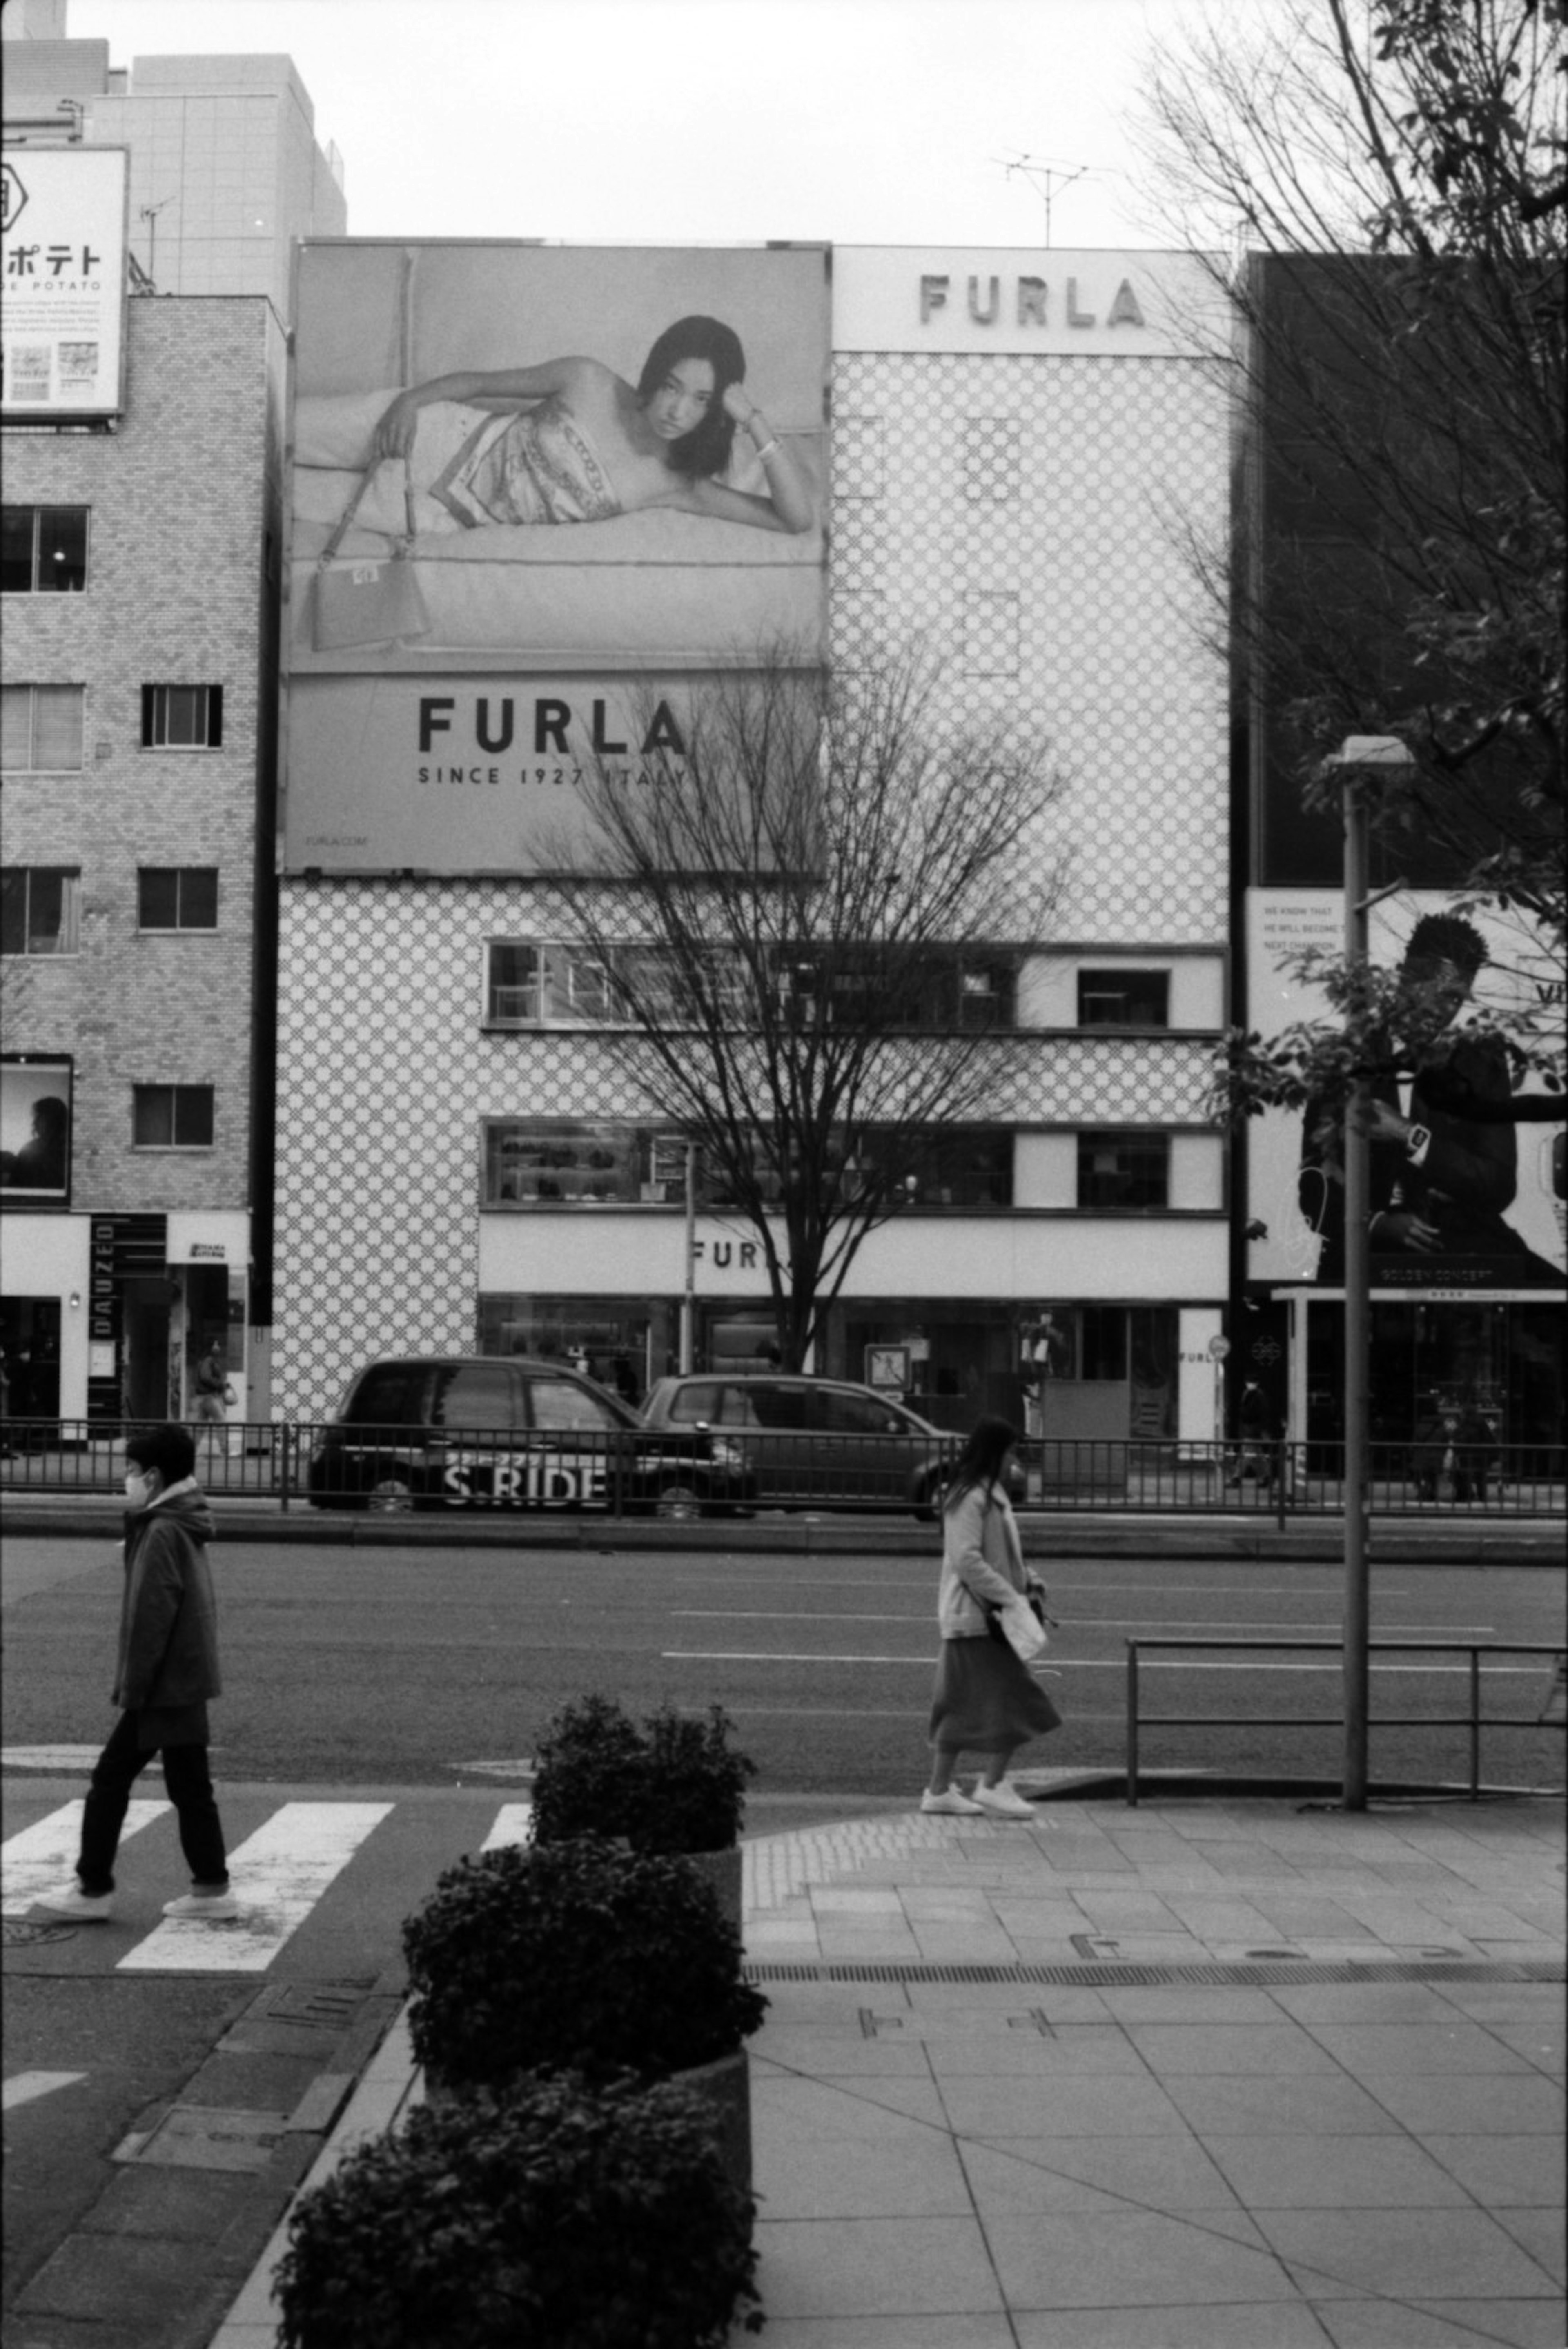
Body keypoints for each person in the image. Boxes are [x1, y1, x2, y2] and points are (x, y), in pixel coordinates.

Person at [298, 315, 815, 542]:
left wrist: (752, 419)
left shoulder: (679, 486)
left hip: (430, 514)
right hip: (429, 427)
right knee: (270, 431)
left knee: (276, 500)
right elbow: (478, 384)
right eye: (673, 386)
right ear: (657, 372)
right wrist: (409, 401)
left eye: (701, 400)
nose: (678, 410)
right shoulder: (588, 379)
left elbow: (795, 520)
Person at [33, 1424, 235, 1924]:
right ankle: (211, 1888)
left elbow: (152, 1613)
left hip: (164, 1683)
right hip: (184, 1676)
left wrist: (135, 1688)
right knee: (190, 1785)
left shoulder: (163, 1528)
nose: (126, 1478)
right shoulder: (181, 1520)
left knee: (110, 1779)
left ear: (154, 1474)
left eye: (130, 1469)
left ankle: (93, 1887)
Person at [1299, 913, 1562, 1285]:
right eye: (1428, 988)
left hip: (1466, 1250)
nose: (1441, 1009)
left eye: (1454, 997)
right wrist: (1376, 1224)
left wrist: (1410, 1135)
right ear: (1402, 979)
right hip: (1363, 1258)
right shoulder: (1343, 1058)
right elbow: (1312, 1183)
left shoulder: (1480, 1063)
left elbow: (1498, 1187)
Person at [923, 1416, 1061, 1820]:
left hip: (977, 1618)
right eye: (1010, 1451)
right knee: (1021, 1699)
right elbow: (967, 1558)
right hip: (978, 1616)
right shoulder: (972, 1497)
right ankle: (992, 1783)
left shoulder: (985, 1493)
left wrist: (1028, 1579)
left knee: (958, 1704)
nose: (1014, 1459)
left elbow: (999, 1554)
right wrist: (1011, 1597)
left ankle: (940, 1789)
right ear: (994, 1453)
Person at [0, 1094, 69, 1191]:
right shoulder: (30, 1150)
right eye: (35, 1118)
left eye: (40, 1117)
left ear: (54, 1119)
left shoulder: (67, 1151)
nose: (34, 1123)